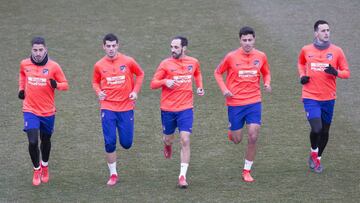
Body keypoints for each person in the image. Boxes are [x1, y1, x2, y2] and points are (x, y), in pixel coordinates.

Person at [214, 26, 271, 182]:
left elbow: (266, 72)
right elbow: (217, 72)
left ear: (254, 40)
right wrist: (224, 89)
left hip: (254, 102)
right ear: (240, 40)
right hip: (235, 103)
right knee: (237, 139)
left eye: (250, 40)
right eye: (244, 40)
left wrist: (267, 83)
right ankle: (232, 133)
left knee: (253, 135)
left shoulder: (261, 56)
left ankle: (246, 170)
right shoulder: (231, 57)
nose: (247, 43)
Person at [150, 36, 204, 188]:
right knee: (168, 139)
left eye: (176, 47)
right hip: (168, 109)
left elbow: (197, 73)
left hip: (186, 108)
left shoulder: (193, 62)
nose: (172, 50)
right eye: (171, 47)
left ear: (184, 48)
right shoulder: (165, 64)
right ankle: (167, 145)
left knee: (185, 139)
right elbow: (153, 83)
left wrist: (199, 86)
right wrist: (164, 82)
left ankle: (182, 176)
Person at [298, 20, 350, 173]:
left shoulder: (337, 51)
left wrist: (336, 72)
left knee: (325, 131)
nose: (326, 33)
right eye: (323, 30)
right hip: (310, 96)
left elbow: (346, 73)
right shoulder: (306, 50)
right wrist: (302, 76)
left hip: (328, 98)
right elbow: (301, 63)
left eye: (328, 30)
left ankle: (317, 158)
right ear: (316, 33)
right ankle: (314, 152)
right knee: (317, 128)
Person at [92, 33, 144, 186]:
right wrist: (98, 92)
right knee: (109, 142)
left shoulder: (128, 61)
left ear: (118, 45)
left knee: (127, 143)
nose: (111, 49)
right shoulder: (99, 65)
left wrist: (135, 91)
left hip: (126, 107)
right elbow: (95, 82)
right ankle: (113, 174)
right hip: (107, 107)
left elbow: (140, 74)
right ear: (103, 47)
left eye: (113, 46)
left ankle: (121, 151)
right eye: (108, 46)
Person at [18, 36, 69, 186]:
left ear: (45, 49)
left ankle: (45, 166)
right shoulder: (24, 64)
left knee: (45, 140)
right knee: (33, 142)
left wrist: (56, 85)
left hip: (48, 112)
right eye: (35, 50)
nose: (38, 53)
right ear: (31, 50)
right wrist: (21, 89)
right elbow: (22, 75)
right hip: (30, 110)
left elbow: (65, 84)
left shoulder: (54, 66)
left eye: (41, 50)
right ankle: (36, 169)